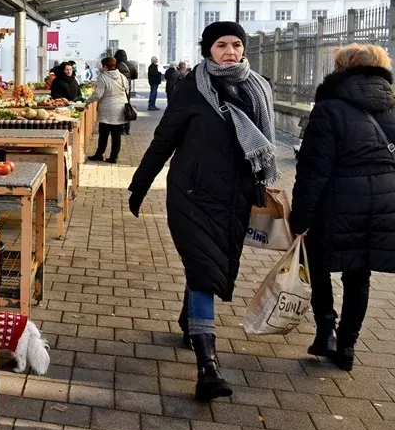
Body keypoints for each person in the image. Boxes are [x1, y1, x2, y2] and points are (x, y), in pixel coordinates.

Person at [128, 22, 277, 401]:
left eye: (236, 44)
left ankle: (188, 319)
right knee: (204, 272)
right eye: (221, 45)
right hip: (191, 194)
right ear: (208, 49)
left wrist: (262, 185)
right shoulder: (192, 88)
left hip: (235, 199)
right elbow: (164, 139)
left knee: (208, 267)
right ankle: (207, 366)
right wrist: (140, 184)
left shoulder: (258, 88)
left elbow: (263, 149)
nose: (230, 51)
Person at [289, 44, 395, 371]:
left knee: (317, 262)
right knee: (359, 272)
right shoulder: (392, 106)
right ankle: (348, 344)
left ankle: (326, 329)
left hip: (336, 201)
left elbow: (313, 170)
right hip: (384, 201)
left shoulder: (329, 109)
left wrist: (300, 217)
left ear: (342, 69)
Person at [84, 57, 129, 163]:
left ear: (105, 66)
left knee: (103, 135)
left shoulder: (103, 77)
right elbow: (126, 89)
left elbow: (97, 94)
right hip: (120, 109)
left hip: (107, 110)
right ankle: (114, 157)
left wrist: (86, 102)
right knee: (116, 136)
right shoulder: (122, 76)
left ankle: (99, 154)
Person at [114, 49, 139, 134]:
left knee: (118, 108)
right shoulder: (130, 65)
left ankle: (120, 128)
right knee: (127, 107)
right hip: (127, 89)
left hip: (117, 89)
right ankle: (127, 129)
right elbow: (135, 75)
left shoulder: (115, 65)